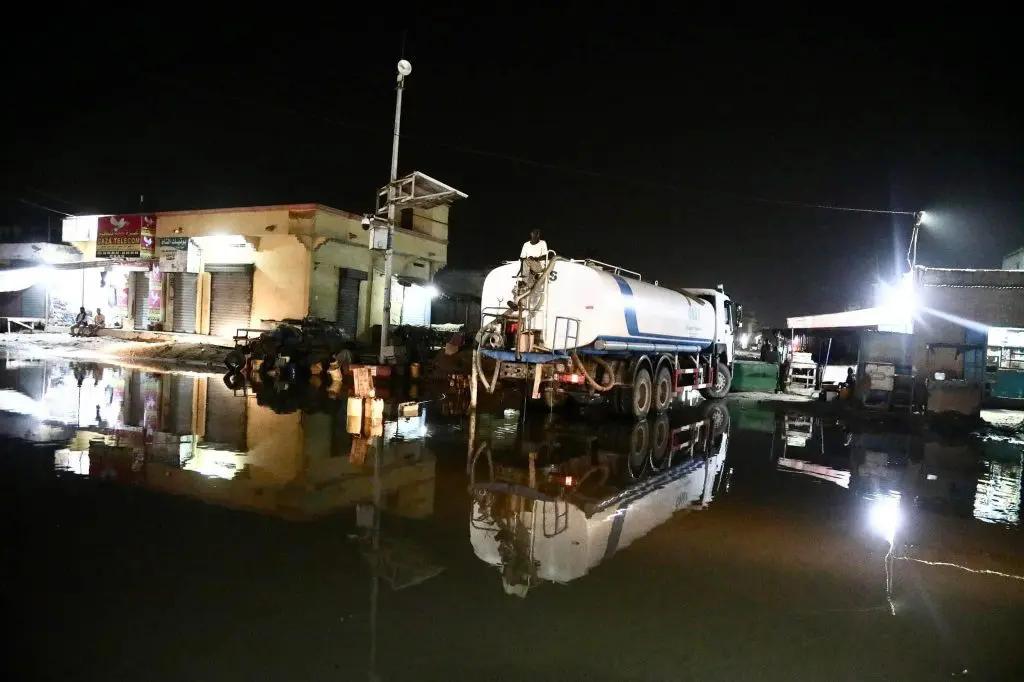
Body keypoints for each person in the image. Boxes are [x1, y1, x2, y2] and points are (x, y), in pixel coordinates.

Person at [518, 228, 549, 292]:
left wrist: (535, 258)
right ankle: (525, 286)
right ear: (531, 234)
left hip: (539, 266)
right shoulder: (526, 244)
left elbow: (545, 256)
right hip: (530, 267)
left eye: (538, 234)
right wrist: (529, 260)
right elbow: (522, 257)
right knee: (526, 261)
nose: (538, 235)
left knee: (527, 261)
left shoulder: (542, 243)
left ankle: (524, 283)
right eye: (536, 233)